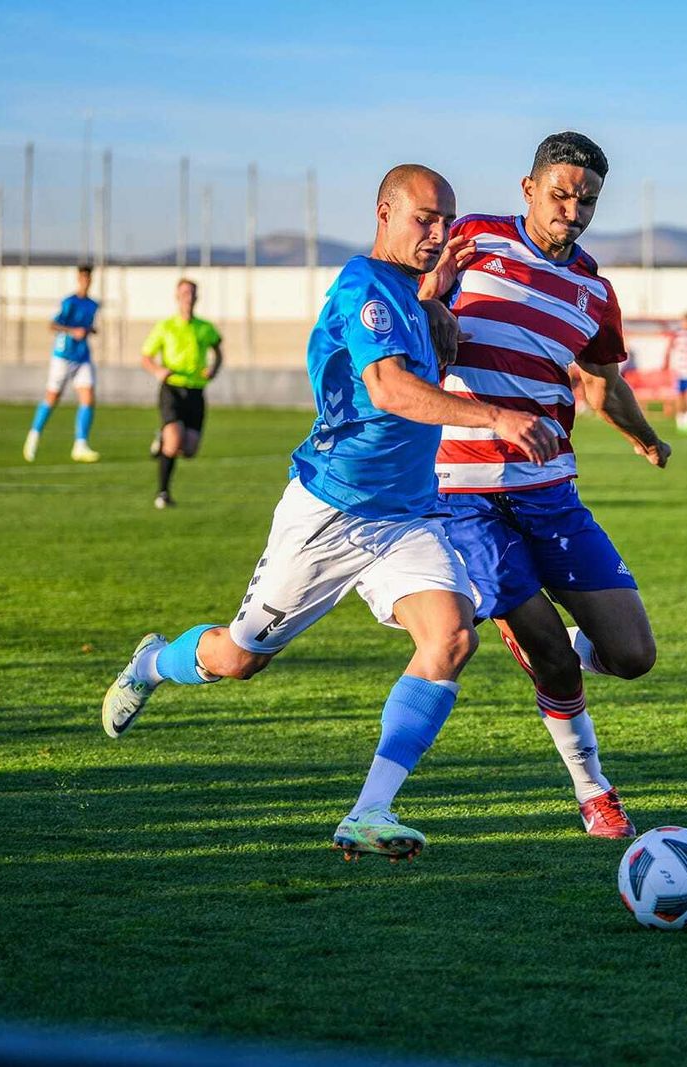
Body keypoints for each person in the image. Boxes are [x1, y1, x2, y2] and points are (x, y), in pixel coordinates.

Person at [100, 165, 559, 863]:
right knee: (239, 658)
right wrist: (498, 415)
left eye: (445, 222)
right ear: (385, 212)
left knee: (451, 637)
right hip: (330, 513)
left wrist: (436, 298)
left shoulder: (412, 292)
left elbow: (426, 343)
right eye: (423, 220)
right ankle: (152, 664)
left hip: (405, 515)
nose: (437, 234)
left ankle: (369, 811)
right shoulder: (363, 285)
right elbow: (390, 388)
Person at [419, 131, 670, 839]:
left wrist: (643, 436)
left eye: (585, 198)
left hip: (551, 488)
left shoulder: (594, 289)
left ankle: (539, 631)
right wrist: (432, 302)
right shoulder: (470, 239)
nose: (572, 208)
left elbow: (601, 383)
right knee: (555, 660)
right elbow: (412, 299)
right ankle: (594, 790)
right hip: (462, 492)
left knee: (632, 655)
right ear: (527, 189)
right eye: (559, 193)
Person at [141, 279, 223, 509]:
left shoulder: (205, 327)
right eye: (184, 293)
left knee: (188, 450)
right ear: (177, 297)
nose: (188, 297)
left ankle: (161, 438)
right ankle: (163, 493)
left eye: (192, 293)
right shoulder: (165, 327)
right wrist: (158, 370)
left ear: (196, 298)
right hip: (172, 389)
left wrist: (214, 368)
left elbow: (218, 351)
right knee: (174, 441)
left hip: (196, 392)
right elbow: (146, 356)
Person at [24, 265, 101, 463]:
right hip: (63, 355)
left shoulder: (93, 305)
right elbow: (53, 325)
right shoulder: (69, 302)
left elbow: (86, 327)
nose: (86, 281)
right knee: (53, 396)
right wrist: (72, 331)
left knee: (88, 397)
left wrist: (90, 330)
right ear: (78, 279)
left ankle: (80, 444)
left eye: (88, 277)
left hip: (82, 356)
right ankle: (34, 435)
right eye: (83, 277)